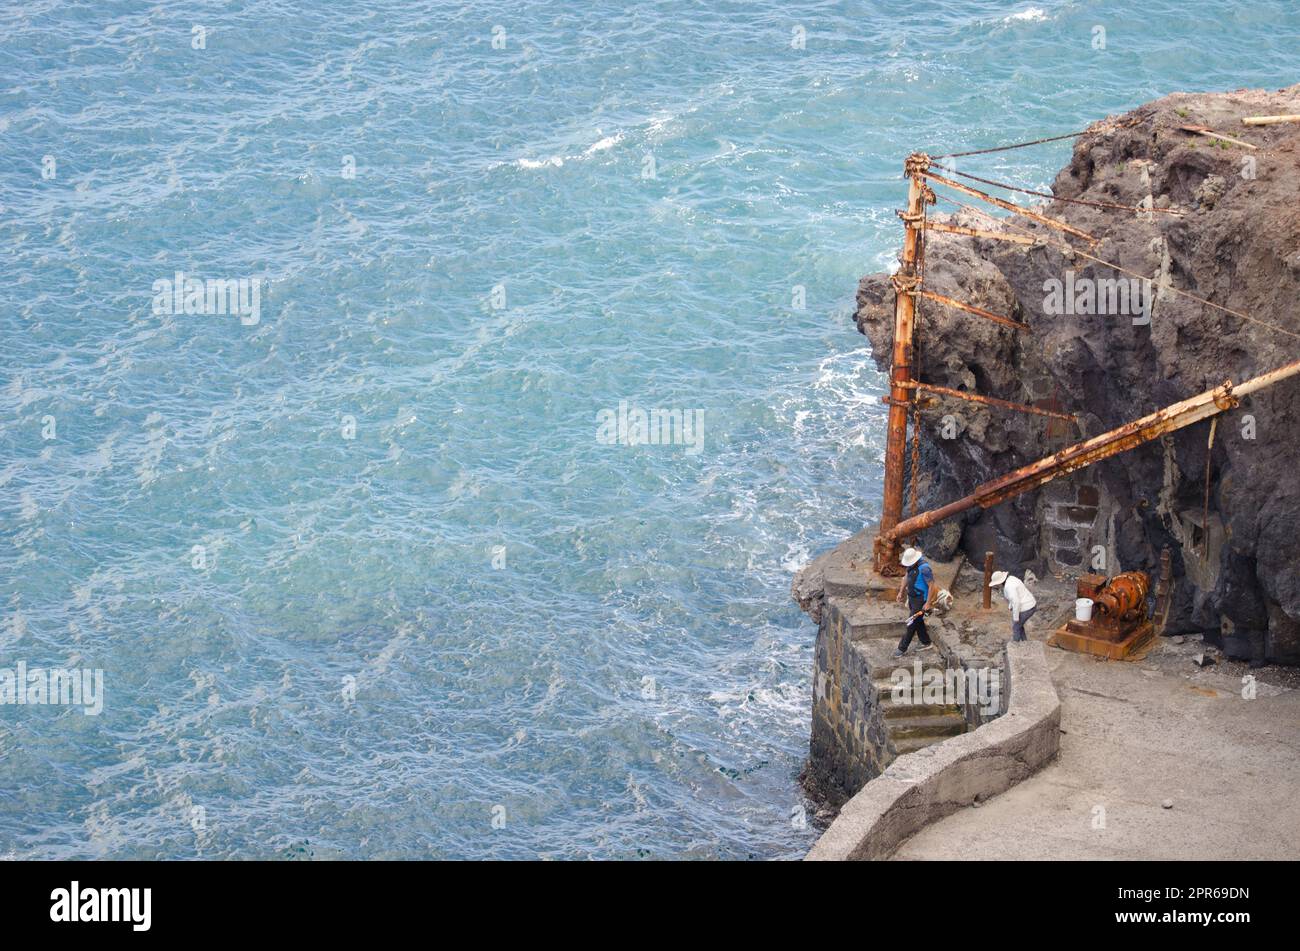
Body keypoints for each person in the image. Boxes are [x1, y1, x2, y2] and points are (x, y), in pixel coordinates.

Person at [893, 547, 936, 657]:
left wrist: (928, 603)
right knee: (918, 621)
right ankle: (926, 642)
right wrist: (901, 592)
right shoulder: (910, 567)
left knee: (911, 623)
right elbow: (906, 578)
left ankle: (901, 648)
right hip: (912, 598)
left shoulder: (925, 569)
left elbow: (931, 586)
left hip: (921, 600)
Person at [989, 570, 1037, 642]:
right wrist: (1010, 606)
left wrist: (1016, 617)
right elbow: (1014, 597)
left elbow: (1016, 602)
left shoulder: (1009, 587)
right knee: (1019, 625)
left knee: (1016, 627)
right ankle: (1024, 642)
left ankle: (1016, 645)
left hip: (1027, 607)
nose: (996, 586)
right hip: (1030, 604)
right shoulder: (1011, 578)